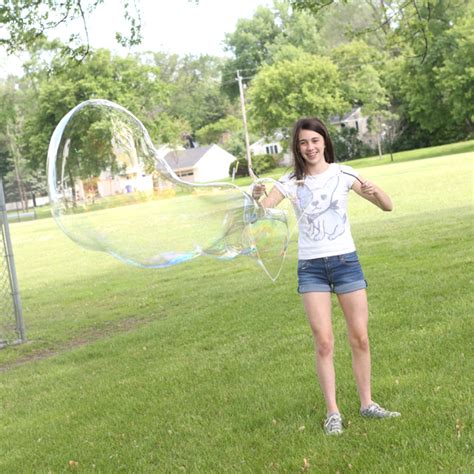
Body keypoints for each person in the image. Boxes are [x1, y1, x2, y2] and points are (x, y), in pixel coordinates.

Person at [252, 117, 400, 435]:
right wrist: (255, 197)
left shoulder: (343, 173)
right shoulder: (290, 181)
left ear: (324, 142)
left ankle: (367, 404)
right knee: (324, 342)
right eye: (303, 142)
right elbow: (261, 213)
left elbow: (387, 206)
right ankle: (333, 412)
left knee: (360, 336)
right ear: (298, 146)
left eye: (315, 141)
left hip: (346, 262)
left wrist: (377, 192)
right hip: (312, 268)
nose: (310, 147)